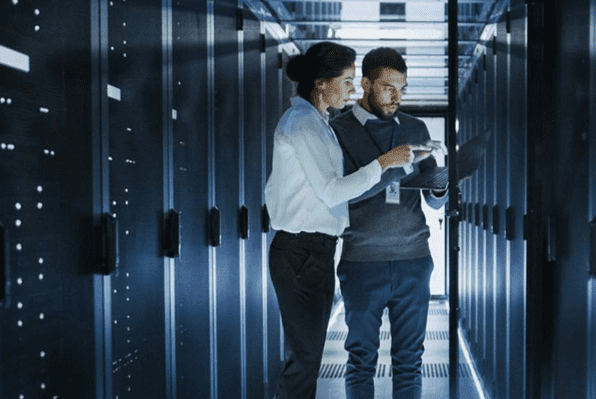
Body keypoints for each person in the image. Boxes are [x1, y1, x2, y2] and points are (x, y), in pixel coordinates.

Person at [264, 42, 431, 399]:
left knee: (308, 359)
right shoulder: (307, 124)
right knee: (308, 359)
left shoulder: (317, 123)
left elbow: (277, 189)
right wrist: (387, 163)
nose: (352, 89)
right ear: (322, 83)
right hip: (308, 251)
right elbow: (333, 191)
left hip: (319, 250)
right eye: (348, 81)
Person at [329, 47, 449, 399]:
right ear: (365, 84)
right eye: (387, 88)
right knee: (361, 359)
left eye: (403, 89)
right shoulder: (337, 131)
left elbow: (431, 197)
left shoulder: (415, 127)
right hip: (362, 263)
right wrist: (390, 165)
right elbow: (340, 196)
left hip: (414, 261)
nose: (397, 97)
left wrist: (441, 186)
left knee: (410, 361)